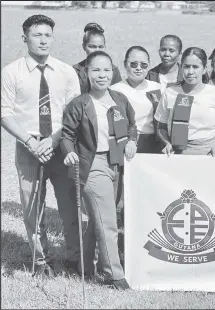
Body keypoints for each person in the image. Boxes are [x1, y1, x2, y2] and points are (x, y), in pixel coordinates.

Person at [1, 14, 81, 277]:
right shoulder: (12, 72)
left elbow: (73, 114)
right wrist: (31, 142)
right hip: (28, 147)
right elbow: (4, 113)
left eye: (48, 35)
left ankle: (74, 258)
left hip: (61, 146)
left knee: (68, 205)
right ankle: (40, 260)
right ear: (25, 38)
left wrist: (52, 140)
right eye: (37, 35)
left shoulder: (66, 72)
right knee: (32, 206)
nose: (43, 40)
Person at [61, 51, 137, 290]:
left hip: (117, 163)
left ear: (113, 71)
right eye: (96, 70)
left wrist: (133, 140)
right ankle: (114, 275)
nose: (101, 75)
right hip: (92, 165)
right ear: (87, 73)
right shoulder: (79, 104)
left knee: (99, 218)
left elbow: (133, 125)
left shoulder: (120, 99)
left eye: (106, 70)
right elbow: (67, 135)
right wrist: (68, 151)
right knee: (107, 222)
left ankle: (82, 265)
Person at [155, 47, 215, 156]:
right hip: (176, 154)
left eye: (195, 67)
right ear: (181, 68)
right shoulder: (170, 92)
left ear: (204, 69)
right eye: (186, 67)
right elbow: (161, 127)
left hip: (208, 153)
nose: (190, 72)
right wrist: (167, 143)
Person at [111, 46, 163, 154]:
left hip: (154, 143)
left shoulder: (158, 88)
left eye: (143, 65)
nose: (139, 68)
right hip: (125, 143)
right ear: (125, 64)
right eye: (133, 64)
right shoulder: (114, 90)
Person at [73, 23, 122, 94]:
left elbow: (118, 96)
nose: (97, 50)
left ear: (105, 47)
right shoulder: (75, 71)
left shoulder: (113, 70)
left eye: (100, 47)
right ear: (84, 46)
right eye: (92, 47)